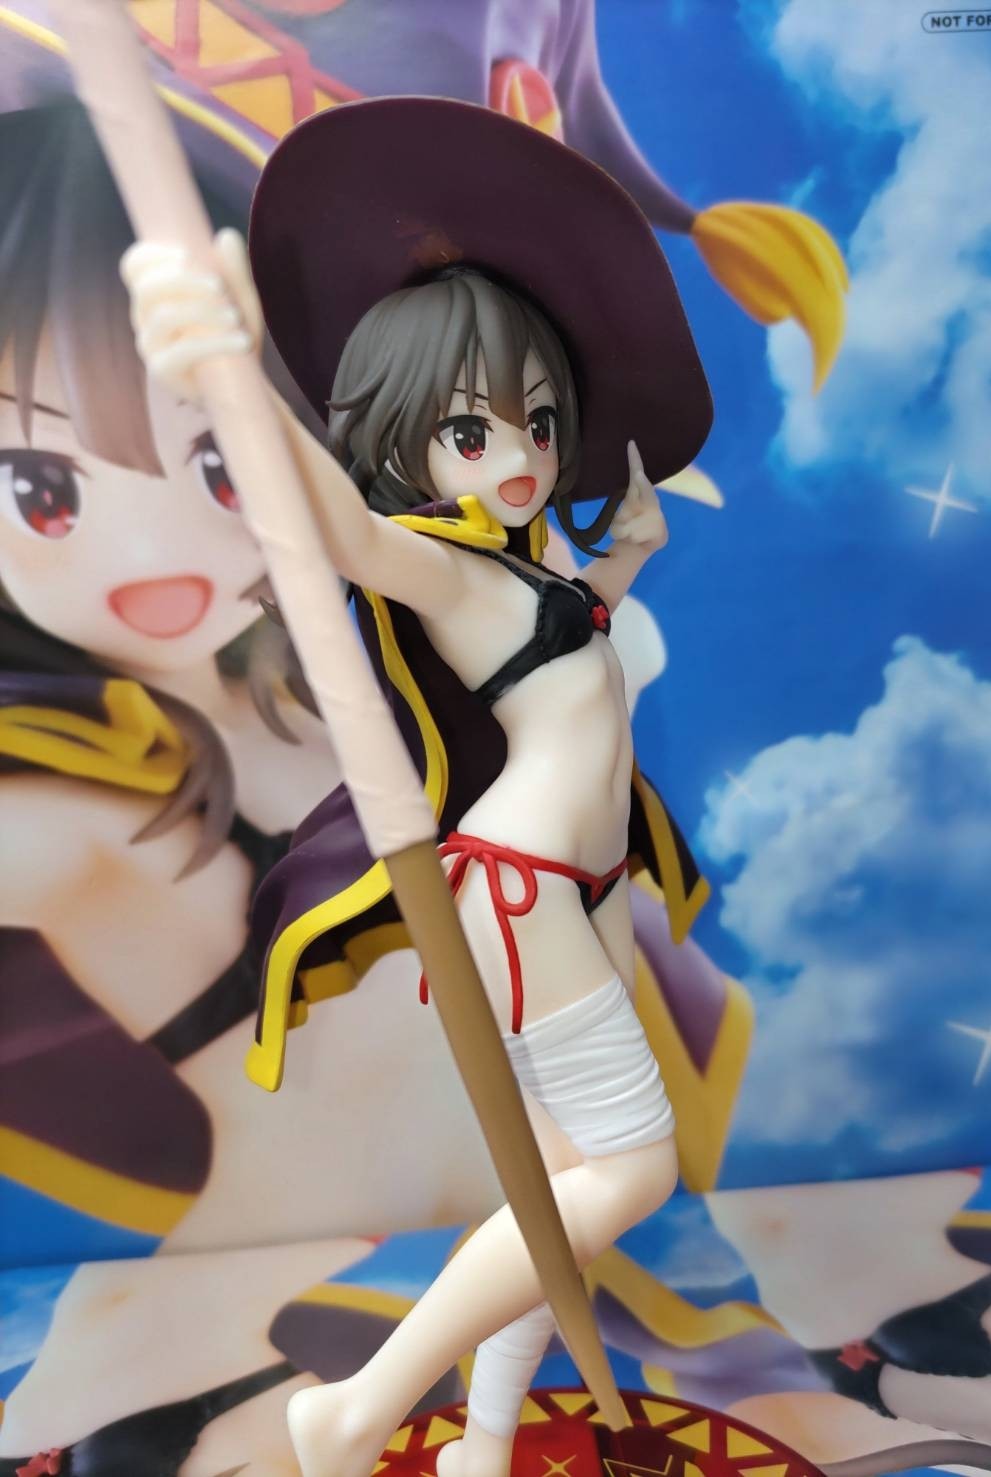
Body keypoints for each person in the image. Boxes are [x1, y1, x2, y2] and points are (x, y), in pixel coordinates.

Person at [123, 96, 714, 1477]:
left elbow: (571, 633)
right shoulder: (441, 566)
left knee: (559, 1184)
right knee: (631, 1173)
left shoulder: (526, 567)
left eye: (538, 422)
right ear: (407, 441)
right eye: (471, 432)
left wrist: (625, 552)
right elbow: (340, 526)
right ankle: (353, 1411)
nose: (519, 460)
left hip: (587, 879)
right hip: (526, 891)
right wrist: (233, 371)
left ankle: (481, 1445)